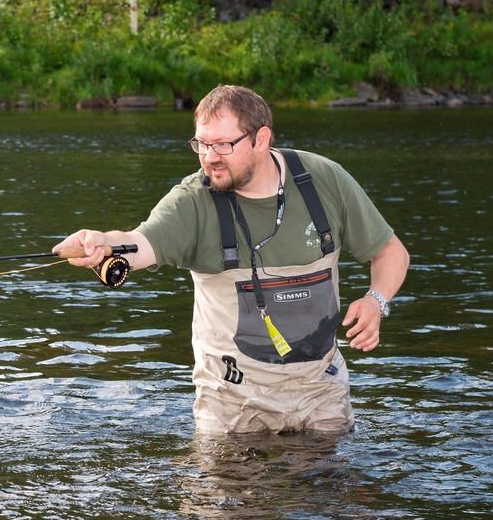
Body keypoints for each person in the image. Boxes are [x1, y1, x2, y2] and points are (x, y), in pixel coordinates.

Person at [54, 85, 409, 434]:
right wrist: (103, 242)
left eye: (223, 144)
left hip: (321, 394)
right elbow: (138, 242)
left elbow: (390, 251)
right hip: (231, 403)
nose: (209, 157)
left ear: (262, 139)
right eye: (201, 144)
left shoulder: (324, 180)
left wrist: (376, 301)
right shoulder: (191, 201)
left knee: (332, 490)